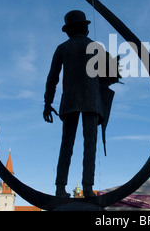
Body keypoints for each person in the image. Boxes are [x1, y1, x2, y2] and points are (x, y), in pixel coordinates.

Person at [43, 10, 104, 198]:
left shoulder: (62, 48)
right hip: (91, 102)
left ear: (69, 30)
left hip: (69, 101)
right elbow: (106, 77)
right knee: (90, 146)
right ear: (83, 27)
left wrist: (47, 102)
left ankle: (60, 187)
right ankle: (87, 188)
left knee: (66, 145)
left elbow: (52, 78)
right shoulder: (95, 47)